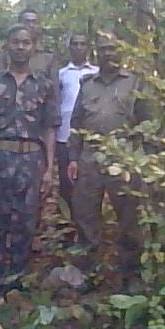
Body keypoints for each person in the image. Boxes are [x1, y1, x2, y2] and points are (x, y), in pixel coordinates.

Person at [0, 24, 59, 302]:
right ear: (6, 45)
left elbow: (50, 128)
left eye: (26, 42)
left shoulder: (44, 85)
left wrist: (49, 169)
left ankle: (16, 285)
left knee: (26, 224)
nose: (20, 47)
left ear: (34, 46)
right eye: (16, 42)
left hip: (31, 160)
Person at [67, 31, 150, 278]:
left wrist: (147, 161)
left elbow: (147, 124)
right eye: (103, 49)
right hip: (90, 159)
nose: (108, 53)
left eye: (112, 48)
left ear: (121, 51)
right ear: (97, 53)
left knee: (129, 218)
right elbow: (76, 123)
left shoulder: (135, 82)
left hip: (124, 159)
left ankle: (130, 275)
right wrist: (73, 158)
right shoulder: (87, 84)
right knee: (85, 215)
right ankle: (87, 273)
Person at [57, 33, 99, 210]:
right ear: (70, 47)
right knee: (66, 179)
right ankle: (67, 219)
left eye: (83, 44)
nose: (79, 47)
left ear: (88, 48)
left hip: (89, 136)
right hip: (64, 134)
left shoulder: (96, 73)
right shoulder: (61, 74)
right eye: (75, 44)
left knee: (89, 180)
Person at [17, 8, 59, 88]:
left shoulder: (48, 56)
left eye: (34, 22)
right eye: (27, 22)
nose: (31, 25)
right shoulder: (9, 53)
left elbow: (54, 89)